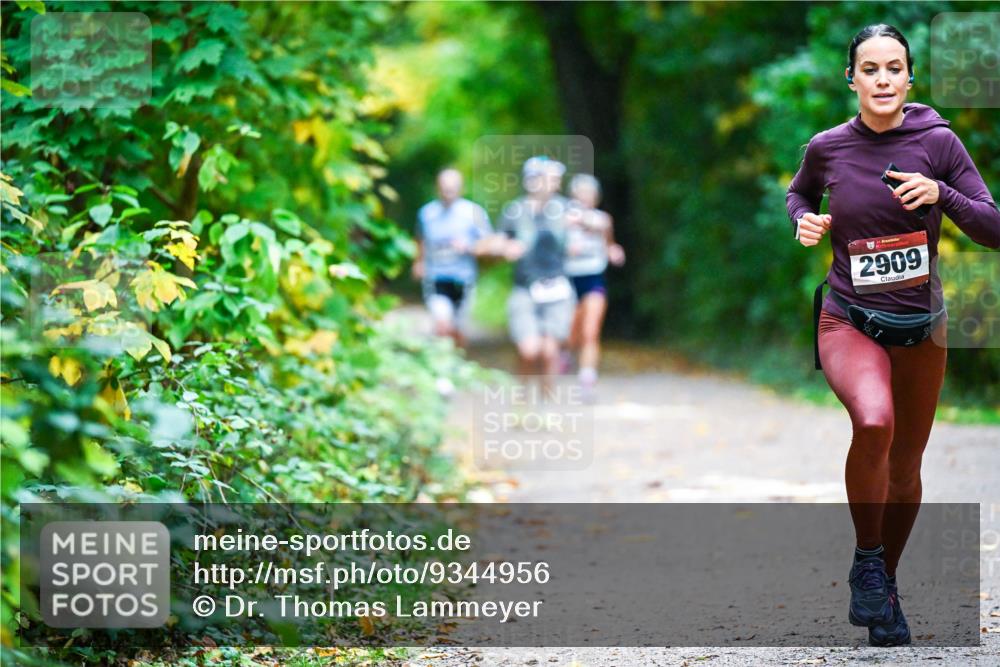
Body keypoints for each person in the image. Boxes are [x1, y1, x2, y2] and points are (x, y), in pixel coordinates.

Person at [786, 24, 1000, 647]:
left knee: (906, 467)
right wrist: (805, 219)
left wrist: (942, 193)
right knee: (874, 421)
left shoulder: (938, 142)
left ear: (910, 78)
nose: (882, 79)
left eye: (894, 68)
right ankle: (869, 560)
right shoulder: (828, 146)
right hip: (848, 317)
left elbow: (992, 227)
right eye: (870, 69)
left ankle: (881, 581)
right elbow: (799, 193)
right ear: (851, 78)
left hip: (923, 327)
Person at [497, 156, 575, 389]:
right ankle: (522, 390)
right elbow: (497, 241)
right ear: (534, 181)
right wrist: (505, 248)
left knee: (550, 351)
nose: (557, 183)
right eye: (552, 178)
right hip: (525, 287)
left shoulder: (566, 209)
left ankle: (546, 398)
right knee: (530, 350)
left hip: (557, 286)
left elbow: (593, 220)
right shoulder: (515, 211)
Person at [413, 168, 492, 347]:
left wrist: (469, 247)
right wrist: (419, 262)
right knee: (442, 325)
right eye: (445, 188)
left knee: (459, 330)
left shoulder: (474, 212)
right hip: (436, 277)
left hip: (464, 279)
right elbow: (420, 239)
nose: (448, 192)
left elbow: (489, 243)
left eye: (452, 188)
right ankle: (442, 359)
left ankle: (458, 359)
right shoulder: (426, 213)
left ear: (461, 188)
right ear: (437, 188)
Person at [563, 174, 625, 399]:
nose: (585, 197)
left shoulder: (602, 219)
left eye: (589, 193)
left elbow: (609, 242)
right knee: (570, 333)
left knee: (591, 331)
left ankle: (587, 380)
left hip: (593, 278)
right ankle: (565, 355)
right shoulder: (561, 218)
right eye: (580, 193)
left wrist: (614, 251)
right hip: (567, 280)